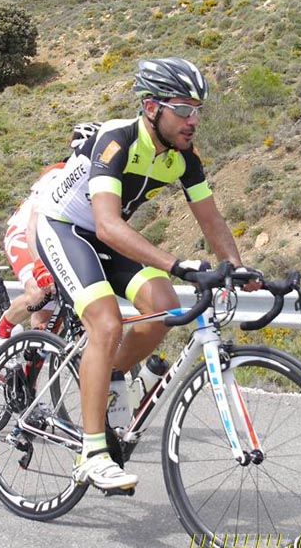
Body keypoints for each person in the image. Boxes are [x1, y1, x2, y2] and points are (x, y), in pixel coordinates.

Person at [34, 58, 261, 492]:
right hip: (65, 227)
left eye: (198, 110)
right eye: (183, 109)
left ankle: (103, 380)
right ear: (152, 107)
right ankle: (93, 452)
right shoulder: (116, 141)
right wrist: (175, 264)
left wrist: (235, 265)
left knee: (163, 308)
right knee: (106, 321)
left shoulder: (183, 158)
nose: (193, 120)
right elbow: (105, 224)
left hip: (107, 236)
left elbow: (211, 220)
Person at [0, 123, 101, 344]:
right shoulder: (58, 173)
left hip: (51, 238)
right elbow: (34, 222)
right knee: (39, 293)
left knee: (46, 326)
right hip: (25, 235)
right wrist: (39, 265)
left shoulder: (99, 182)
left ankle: (26, 375)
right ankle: (0, 332)